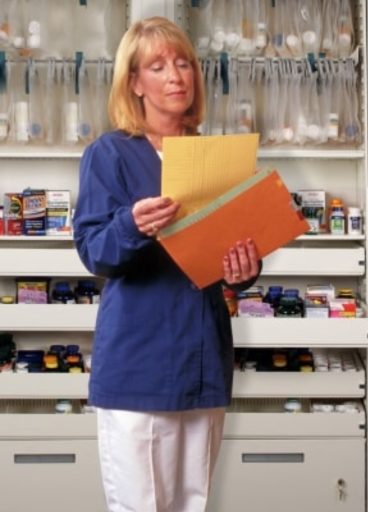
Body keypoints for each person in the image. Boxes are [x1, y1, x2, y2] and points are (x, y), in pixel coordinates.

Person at [73, 17, 260, 512]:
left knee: (193, 503)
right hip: (139, 361)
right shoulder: (109, 154)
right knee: (142, 506)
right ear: (134, 83)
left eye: (182, 63)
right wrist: (132, 225)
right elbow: (94, 251)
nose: (176, 75)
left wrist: (244, 268)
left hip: (201, 359)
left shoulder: (213, 155)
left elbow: (230, 248)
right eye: (157, 66)